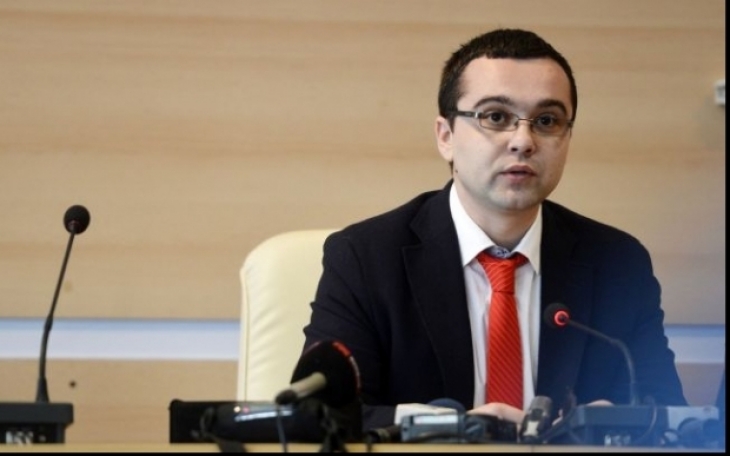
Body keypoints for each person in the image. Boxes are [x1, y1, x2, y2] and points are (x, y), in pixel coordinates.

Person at [300, 27, 687, 433]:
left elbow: (668, 415)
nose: (523, 141)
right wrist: (458, 427)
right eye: (496, 117)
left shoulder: (616, 264)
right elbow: (323, 416)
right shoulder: (365, 258)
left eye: (547, 121)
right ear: (446, 136)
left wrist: (608, 422)